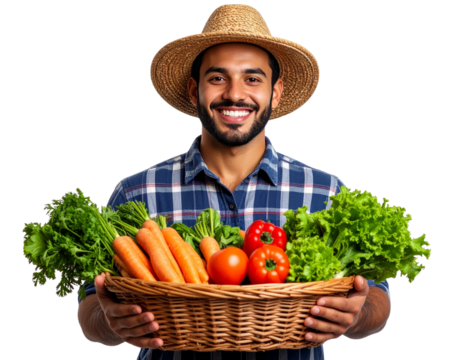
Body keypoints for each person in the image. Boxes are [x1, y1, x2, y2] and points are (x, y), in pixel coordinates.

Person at [77, 3, 391, 360]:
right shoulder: (138, 192)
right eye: (217, 78)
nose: (234, 94)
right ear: (195, 91)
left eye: (252, 78)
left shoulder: (324, 190)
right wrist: (110, 321)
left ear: (275, 92)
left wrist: (356, 316)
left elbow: (377, 299)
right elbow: (90, 309)